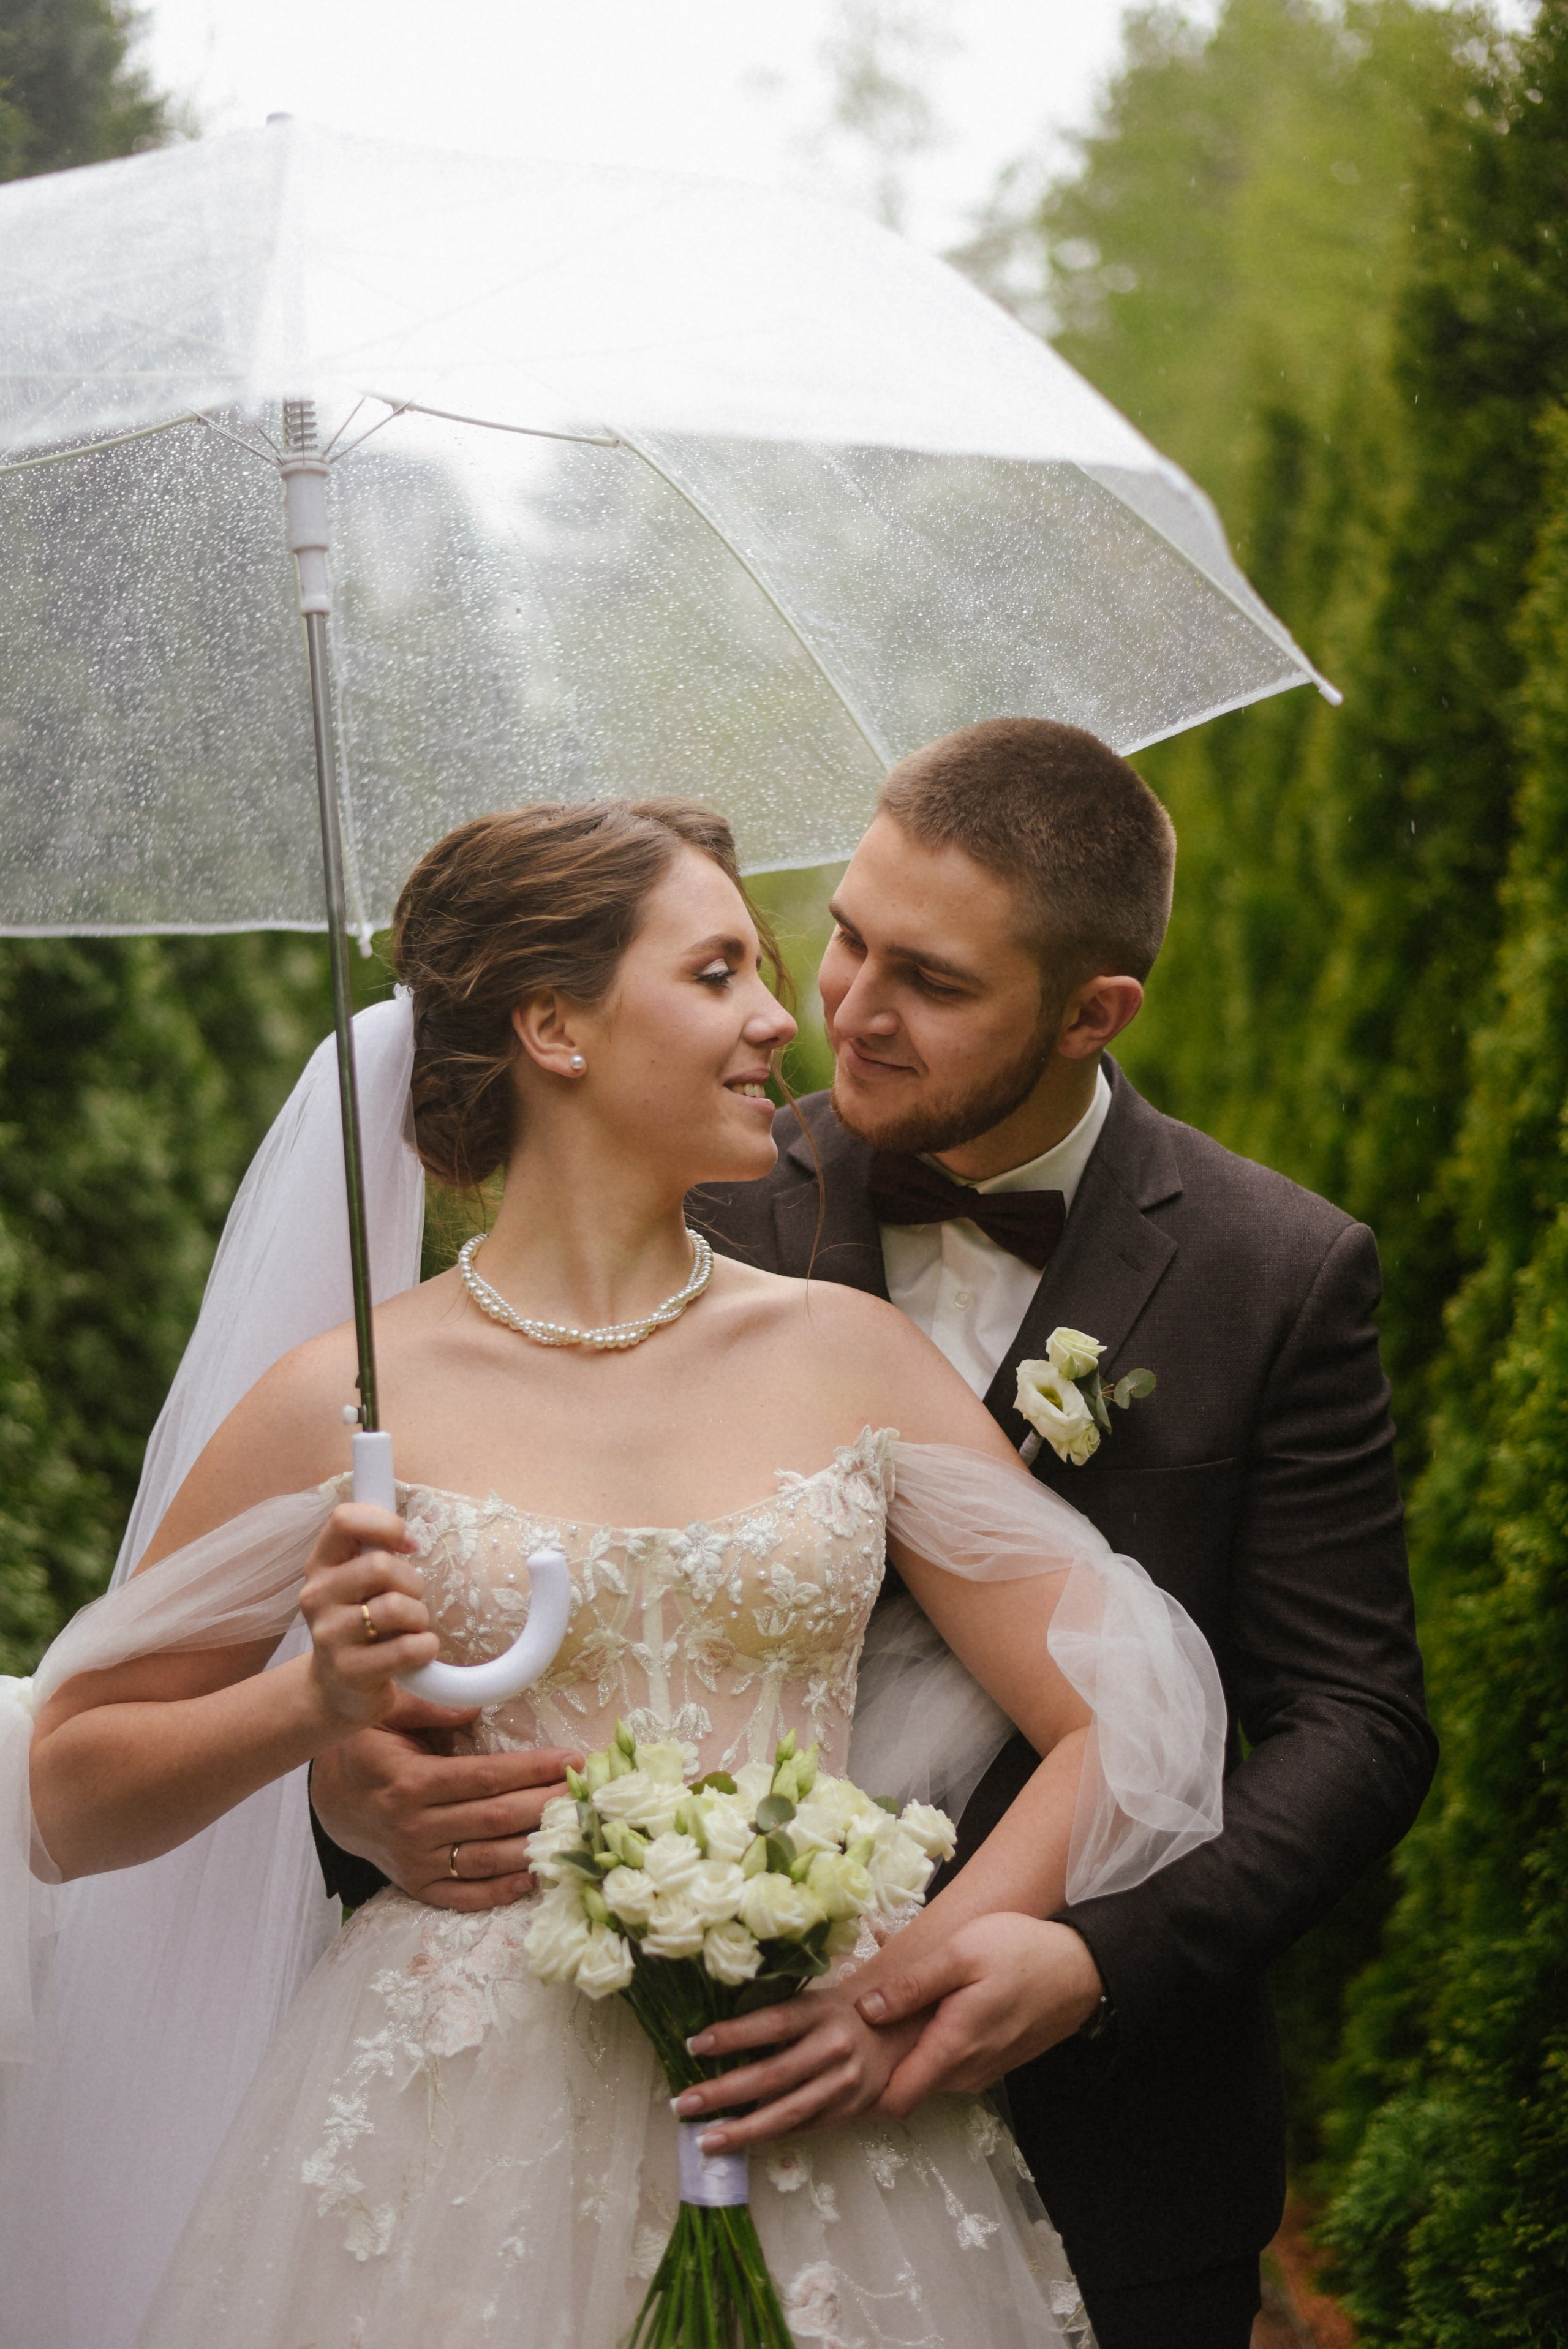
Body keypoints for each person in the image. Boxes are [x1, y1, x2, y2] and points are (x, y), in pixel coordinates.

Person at [12, 797, 1225, 2349]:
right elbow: (65, 1792)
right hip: (440, 2149)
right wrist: (307, 1711)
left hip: (810, 2126)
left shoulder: (846, 1353)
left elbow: (1125, 1702)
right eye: (718, 972)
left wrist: (896, 1994)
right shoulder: (348, 1397)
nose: (785, 1017)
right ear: (552, 1026)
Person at [313, 720, 1438, 2349]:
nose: (839, 1003)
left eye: (932, 978)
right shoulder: (673, 1172)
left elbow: (1359, 1722)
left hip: (1112, 2126)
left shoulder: (1276, 1270)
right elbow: (445, 1590)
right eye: (842, 933)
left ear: (1091, 1011)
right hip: (635, 2100)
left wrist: (1088, 1957)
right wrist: (353, 1790)